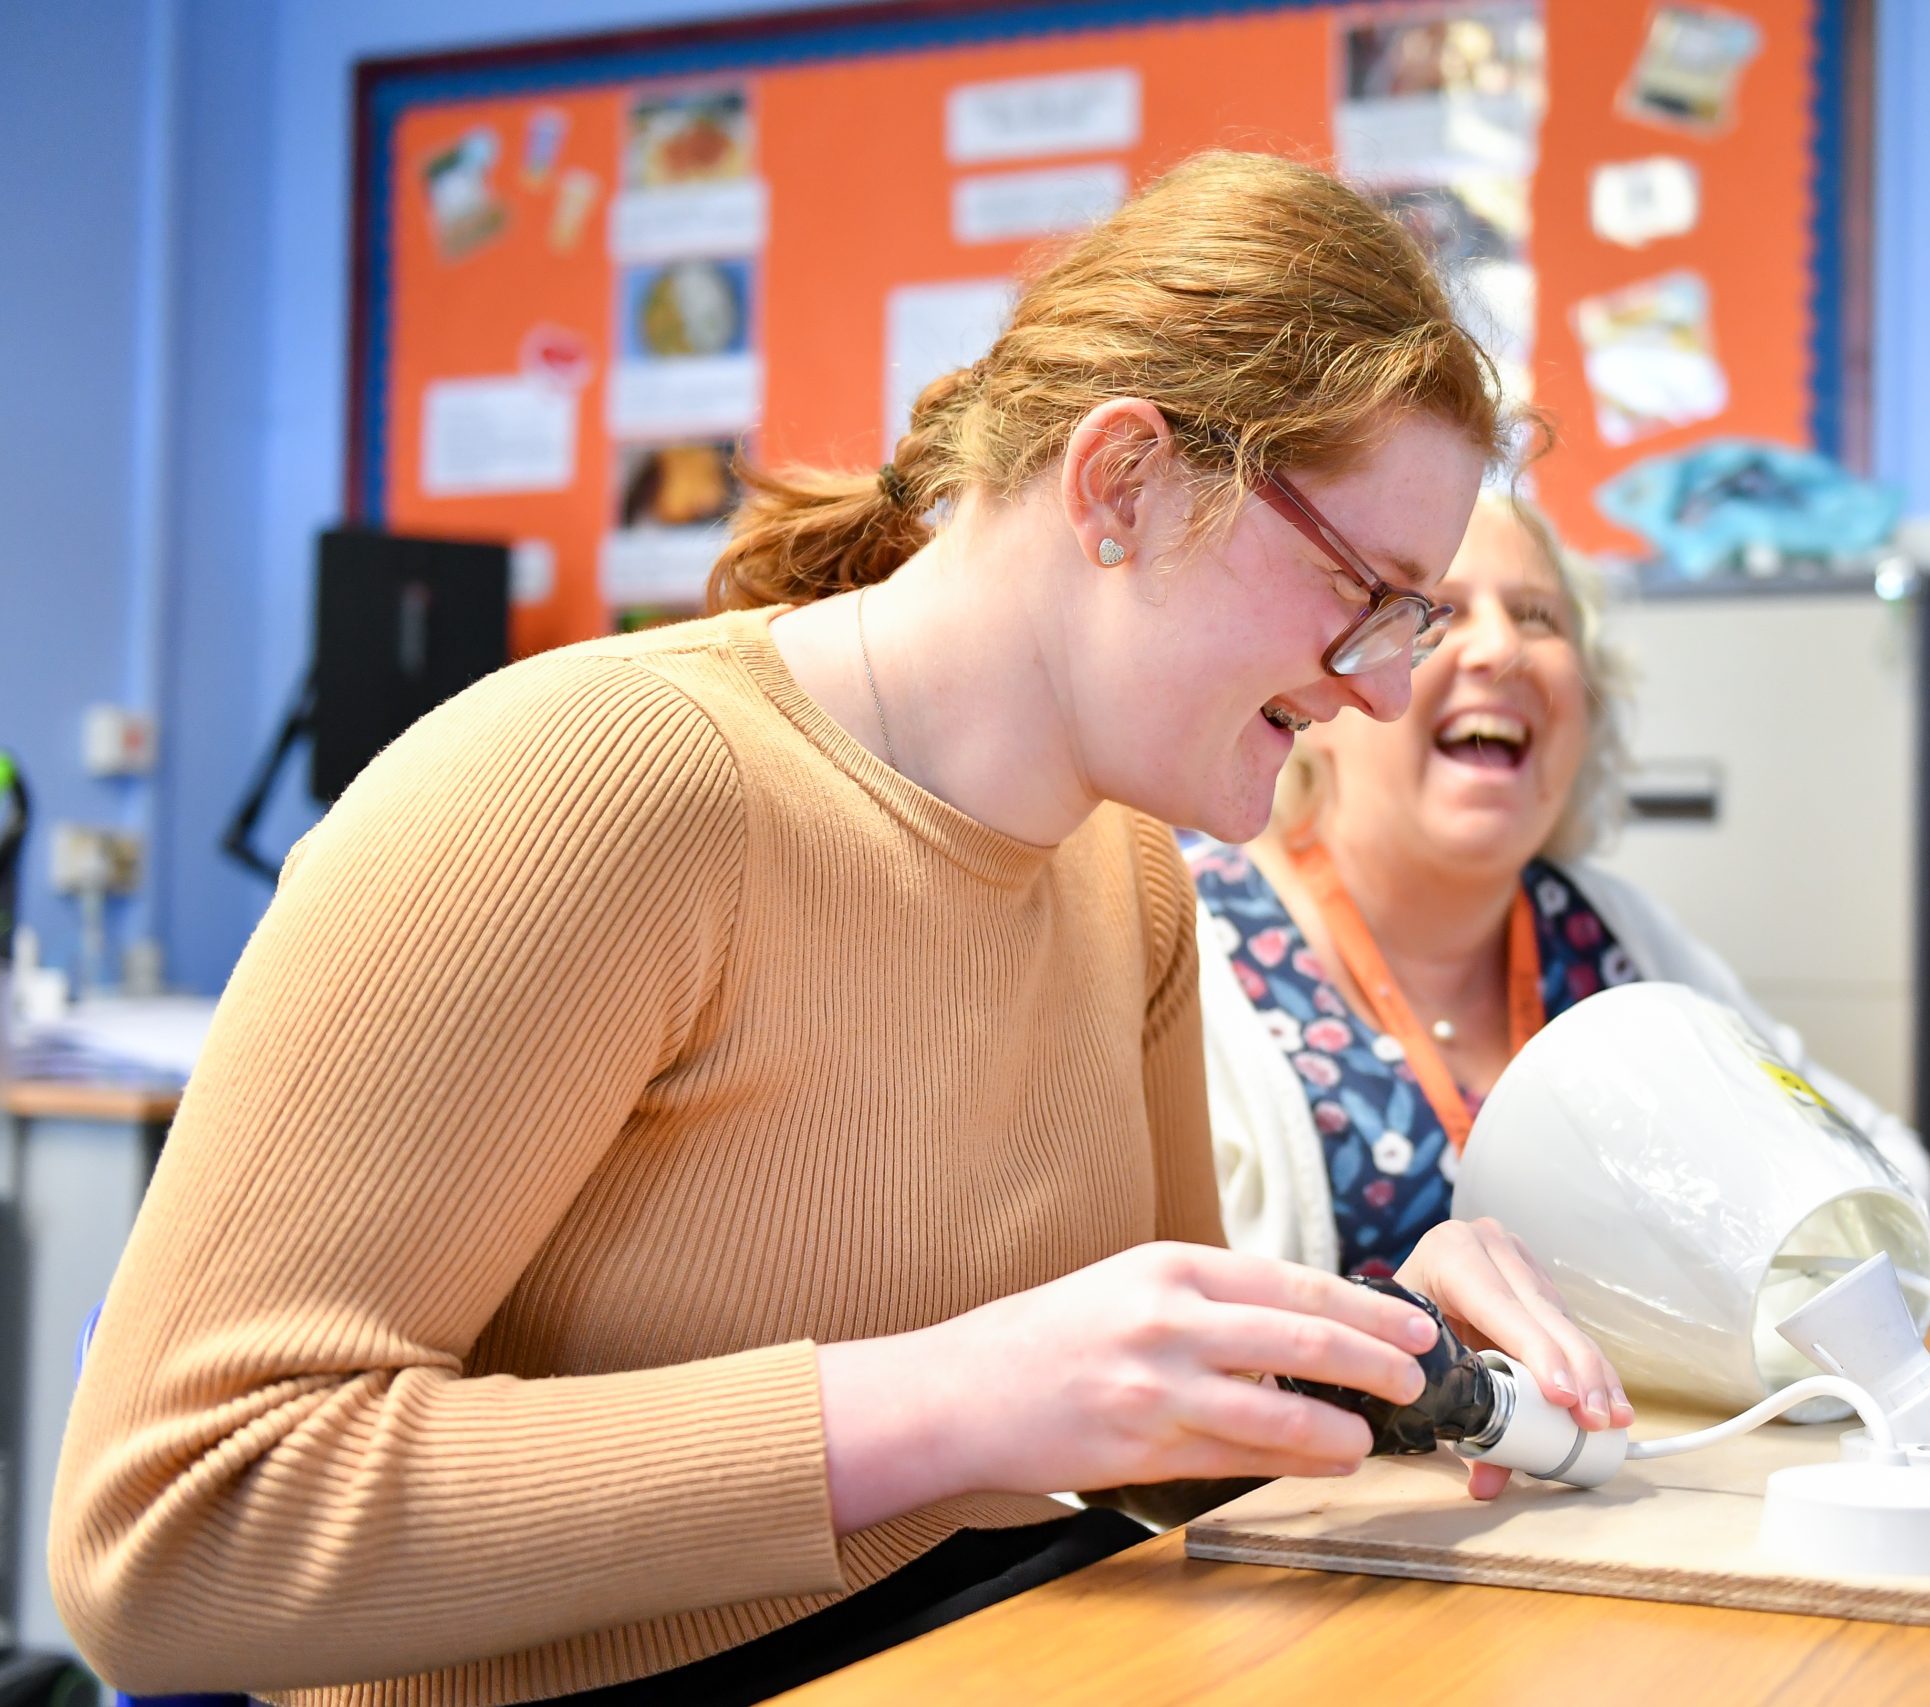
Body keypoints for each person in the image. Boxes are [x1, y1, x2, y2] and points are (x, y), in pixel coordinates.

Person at [51, 153, 1629, 1707]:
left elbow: (1148, 1450)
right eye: (1374, 595)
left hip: (972, 1644)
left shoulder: (1124, 867)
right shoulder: (606, 786)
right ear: (1123, 482)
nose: (1386, 686)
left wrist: (1401, 1362)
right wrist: (945, 1402)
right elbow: (169, 1536)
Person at [1190, 493, 1930, 1278]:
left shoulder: (1613, 936)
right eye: (1436, 612)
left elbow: (1884, 1174)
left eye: (1538, 618)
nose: (1500, 649)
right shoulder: (1193, 946)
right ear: (1329, 697)